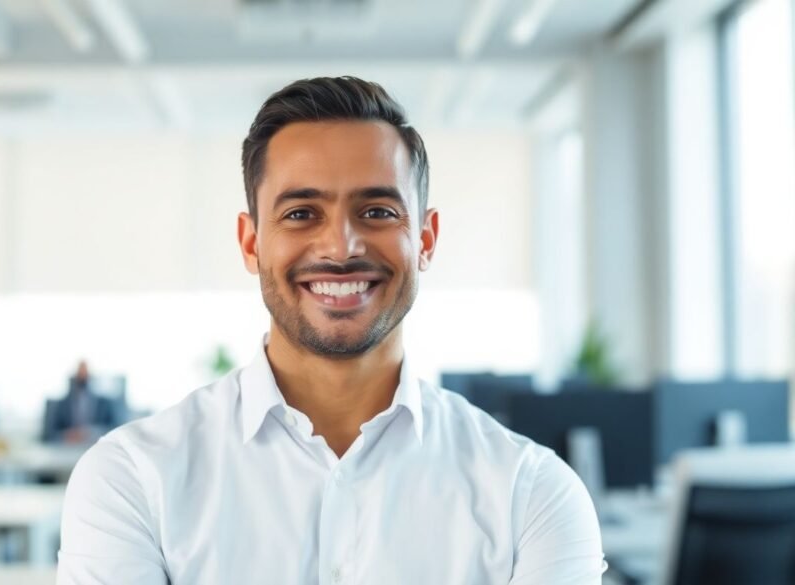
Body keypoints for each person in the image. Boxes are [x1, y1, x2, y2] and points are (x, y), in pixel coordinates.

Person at [58, 77, 604, 584]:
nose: (341, 247)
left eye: (378, 211)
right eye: (300, 214)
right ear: (251, 243)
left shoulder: (530, 494)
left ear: (427, 239)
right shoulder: (132, 479)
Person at [43, 360, 120, 444]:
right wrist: (67, 435)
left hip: (95, 446)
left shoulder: (104, 403)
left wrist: (89, 433)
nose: (83, 376)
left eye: (85, 373)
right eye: (80, 372)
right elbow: (49, 434)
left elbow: (114, 429)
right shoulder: (62, 405)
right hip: (68, 448)